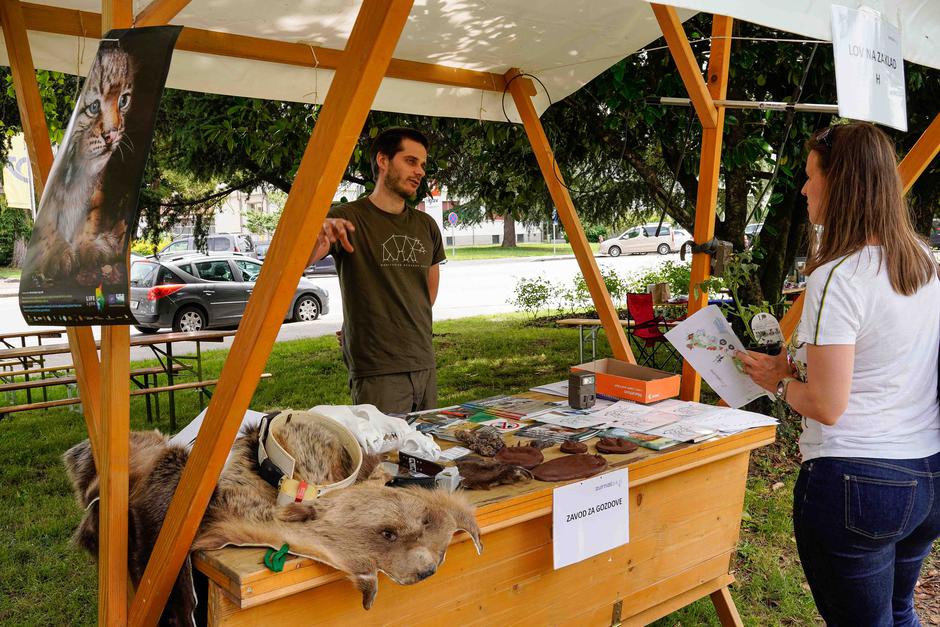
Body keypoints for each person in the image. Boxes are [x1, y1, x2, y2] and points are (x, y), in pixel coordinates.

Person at [738, 122, 940, 626]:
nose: (804, 189)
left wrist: (778, 383)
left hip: (859, 480)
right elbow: (886, 360)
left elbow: (827, 404)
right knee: (900, 611)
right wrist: (793, 368)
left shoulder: (838, 276)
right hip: (928, 473)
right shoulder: (923, 262)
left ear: (841, 181)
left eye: (811, 176)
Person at [309, 127, 444, 414]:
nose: (420, 171)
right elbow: (301, 258)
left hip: (424, 362)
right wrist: (317, 231)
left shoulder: (427, 225)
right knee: (383, 456)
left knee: (426, 453)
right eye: (410, 161)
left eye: (422, 164)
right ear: (383, 161)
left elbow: (427, 295)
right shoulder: (346, 217)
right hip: (378, 370)